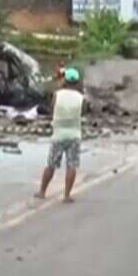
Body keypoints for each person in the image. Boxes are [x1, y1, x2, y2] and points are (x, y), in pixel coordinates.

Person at [36, 68, 85, 203]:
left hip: (58, 134)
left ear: (65, 80)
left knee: (51, 164)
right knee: (71, 165)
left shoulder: (57, 95)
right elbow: (82, 112)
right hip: (74, 134)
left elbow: (52, 110)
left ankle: (42, 191)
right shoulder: (81, 98)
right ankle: (67, 195)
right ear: (76, 82)